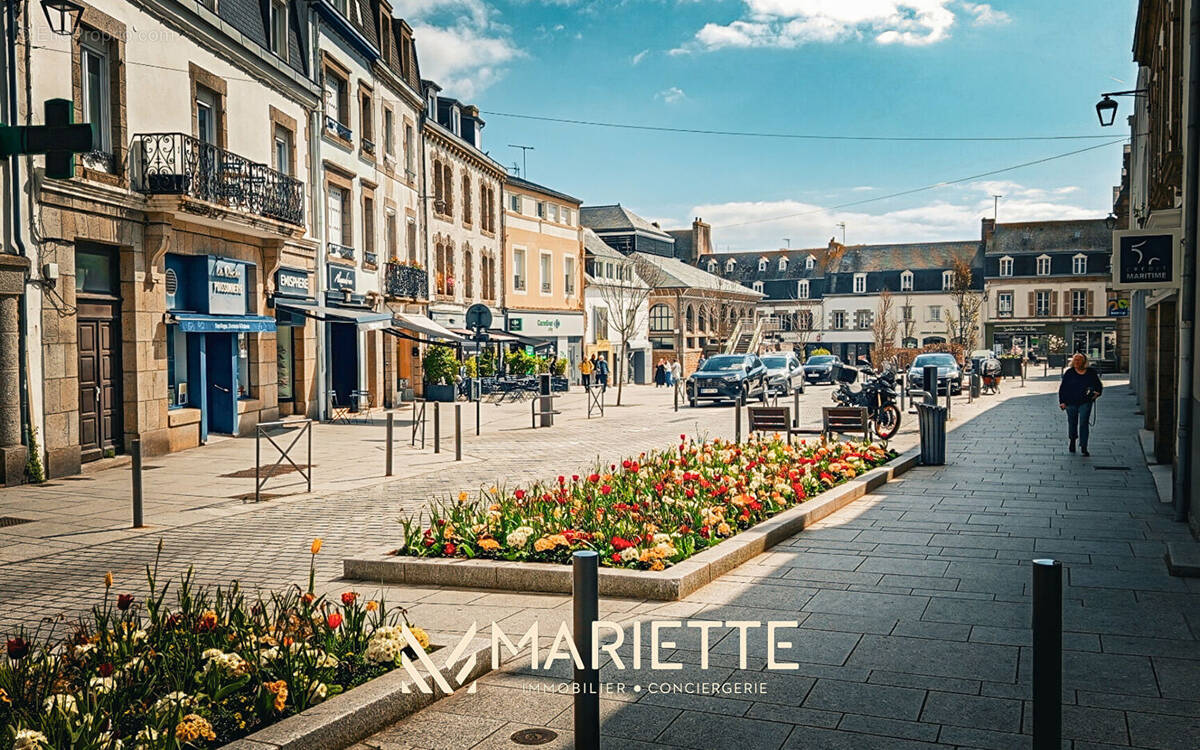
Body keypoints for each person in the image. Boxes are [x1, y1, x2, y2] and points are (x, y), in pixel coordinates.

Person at [1058, 352, 1103, 456]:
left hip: (1085, 401)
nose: (1077, 362)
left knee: (1084, 422)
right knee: (1072, 422)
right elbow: (1063, 388)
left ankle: (1084, 446)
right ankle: (1072, 440)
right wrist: (1062, 402)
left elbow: (1098, 385)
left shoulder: (1091, 372)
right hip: (1070, 402)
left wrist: (1097, 393)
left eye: (1079, 360)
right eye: (1075, 360)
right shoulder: (1069, 372)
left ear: (1084, 361)